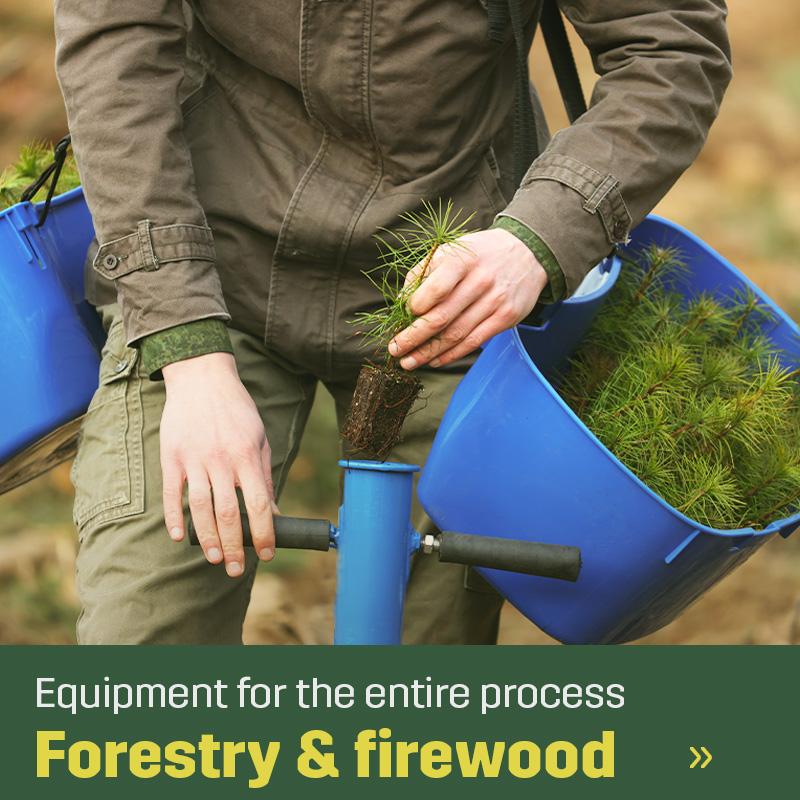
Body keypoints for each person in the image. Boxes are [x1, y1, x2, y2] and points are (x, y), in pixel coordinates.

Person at [53, 1, 732, 644]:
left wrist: (538, 239)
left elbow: (670, 50)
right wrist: (187, 351)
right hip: (211, 268)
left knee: (418, 687)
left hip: (458, 285)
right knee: (140, 647)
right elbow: (115, 53)